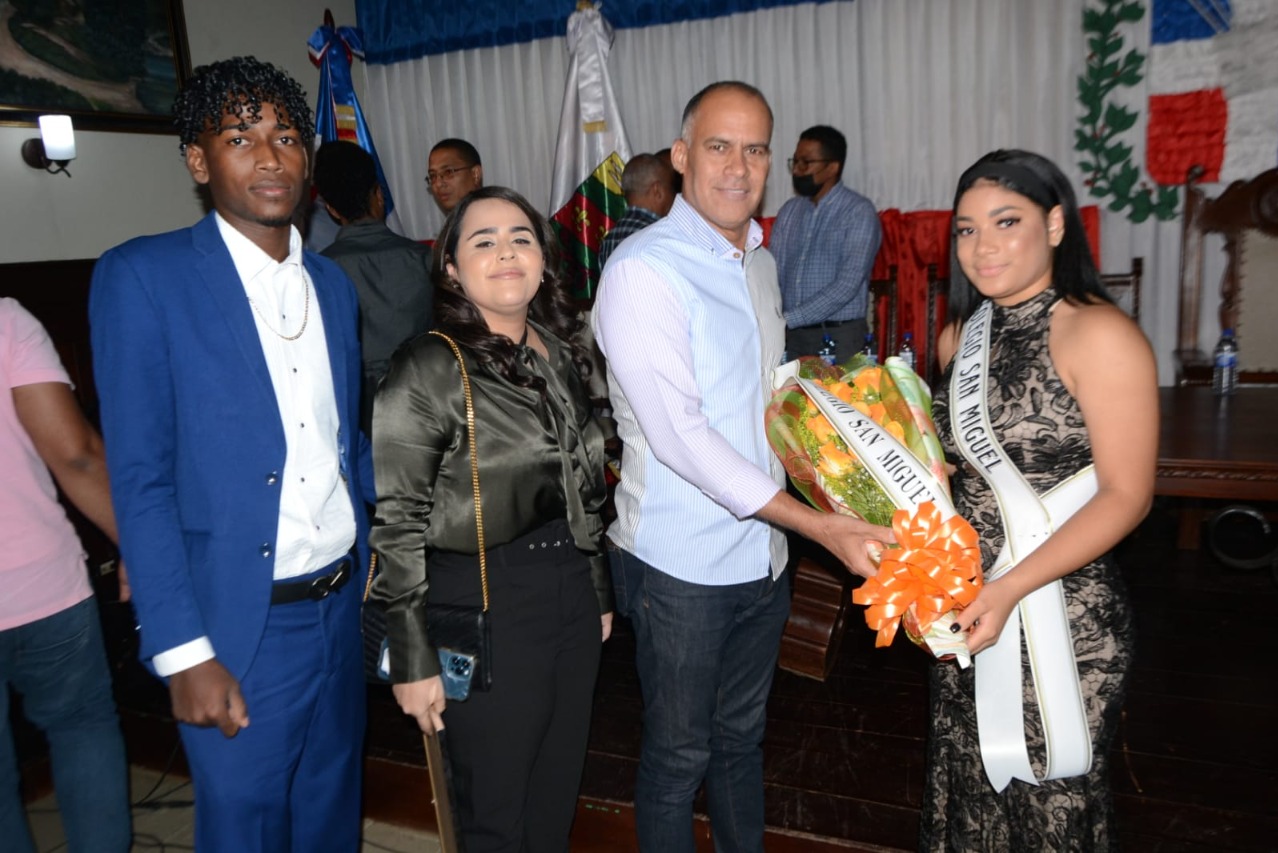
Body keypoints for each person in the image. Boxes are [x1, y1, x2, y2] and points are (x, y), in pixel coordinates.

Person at [591, 81, 890, 853]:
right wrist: (819, 525)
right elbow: (682, 438)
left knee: (740, 739)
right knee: (678, 756)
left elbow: (767, 405)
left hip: (763, 556)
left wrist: (856, 466)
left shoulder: (758, 261)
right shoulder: (643, 270)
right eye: (719, 146)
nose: (738, 166)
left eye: (755, 148)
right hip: (681, 565)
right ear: (682, 156)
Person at [90, 57, 373, 853]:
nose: (270, 156)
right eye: (240, 138)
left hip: (339, 607)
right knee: (246, 831)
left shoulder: (334, 286)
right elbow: (140, 479)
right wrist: (182, 649)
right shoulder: (144, 277)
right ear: (198, 159)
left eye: (286, 137)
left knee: (330, 821)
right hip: (238, 624)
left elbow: (344, 444)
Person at [924, 149, 1156, 851]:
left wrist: (1009, 588)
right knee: (972, 797)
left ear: (1055, 225)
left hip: (1063, 612)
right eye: (966, 230)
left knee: (1050, 806)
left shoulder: (1100, 334)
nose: (982, 246)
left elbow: (1127, 496)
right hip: (972, 608)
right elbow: (955, 476)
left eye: (1006, 222)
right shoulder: (957, 339)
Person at [371, 185, 612, 853]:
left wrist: (596, 591)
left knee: (555, 794)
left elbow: (584, 487)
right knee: (495, 811)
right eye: (484, 241)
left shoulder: (559, 351)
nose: (506, 252)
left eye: (521, 238)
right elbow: (398, 521)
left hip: (569, 588)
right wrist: (411, 657)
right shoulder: (428, 366)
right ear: (451, 268)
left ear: (543, 260)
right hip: (483, 597)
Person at [1, 299, 130, 853]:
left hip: (48, 587)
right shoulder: (6, 320)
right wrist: (136, 546)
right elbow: (75, 454)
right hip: (45, 583)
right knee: (81, 726)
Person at [314, 140, 434, 431]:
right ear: (379, 195)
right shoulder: (425, 259)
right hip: (427, 404)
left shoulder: (318, 271)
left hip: (354, 414)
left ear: (331, 209)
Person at [770, 125, 881, 361]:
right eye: (795, 161)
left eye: (806, 163)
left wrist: (788, 319)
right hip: (790, 337)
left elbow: (847, 285)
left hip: (840, 336)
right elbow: (772, 274)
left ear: (832, 168)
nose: (797, 170)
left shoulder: (858, 211)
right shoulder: (789, 212)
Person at [599, 152, 679, 266]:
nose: (676, 196)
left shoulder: (608, 241)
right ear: (657, 191)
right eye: (672, 189)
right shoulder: (662, 235)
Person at [427, 138, 484, 215]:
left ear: (475, 174)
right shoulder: (457, 222)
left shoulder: (495, 217)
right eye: (433, 176)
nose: (438, 184)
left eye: (448, 172)